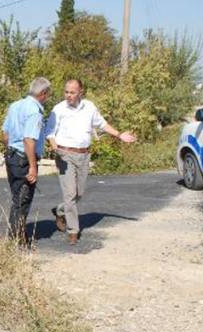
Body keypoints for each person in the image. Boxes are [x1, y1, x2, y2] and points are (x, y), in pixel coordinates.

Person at [44, 79, 136, 244]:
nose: (69, 95)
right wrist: (54, 146)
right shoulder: (58, 109)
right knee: (70, 194)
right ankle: (73, 231)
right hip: (64, 154)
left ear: (80, 92)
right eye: (66, 92)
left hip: (84, 155)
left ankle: (60, 211)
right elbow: (49, 131)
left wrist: (119, 135)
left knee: (79, 193)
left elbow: (102, 124)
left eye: (72, 92)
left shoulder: (89, 107)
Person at [2, 77, 51, 245]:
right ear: (43, 93)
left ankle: (15, 236)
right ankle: (17, 240)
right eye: (48, 94)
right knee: (22, 200)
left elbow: (5, 134)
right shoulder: (34, 112)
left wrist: (9, 152)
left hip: (12, 156)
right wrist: (32, 167)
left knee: (16, 198)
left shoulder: (15, 106)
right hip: (24, 159)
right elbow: (29, 140)